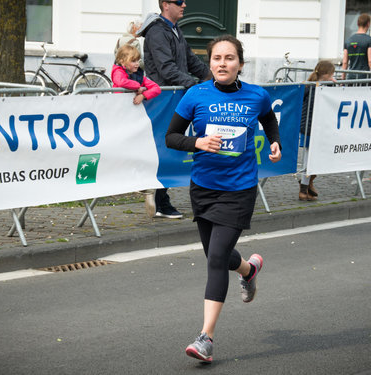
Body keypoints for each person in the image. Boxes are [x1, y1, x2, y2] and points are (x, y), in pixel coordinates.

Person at [165, 34, 282, 363]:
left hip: (239, 188)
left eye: (230, 58)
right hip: (203, 187)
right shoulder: (195, 95)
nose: (222, 64)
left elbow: (269, 120)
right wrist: (197, 143)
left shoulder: (256, 95)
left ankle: (206, 338)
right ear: (210, 63)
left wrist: (275, 143)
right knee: (217, 255)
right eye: (217, 58)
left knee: (216, 258)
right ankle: (248, 269)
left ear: (240, 65)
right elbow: (172, 137)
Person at [138, 0, 211, 219]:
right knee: (165, 147)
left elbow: (191, 61)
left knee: (170, 146)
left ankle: (157, 193)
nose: (184, 5)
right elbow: (166, 68)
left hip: (175, 97)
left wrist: (213, 78)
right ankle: (159, 199)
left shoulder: (175, 29)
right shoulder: (157, 32)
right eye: (179, 1)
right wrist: (195, 85)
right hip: (163, 99)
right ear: (165, 4)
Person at [111, 44, 161, 217]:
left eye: (138, 60)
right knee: (120, 150)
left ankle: (144, 187)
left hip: (135, 120)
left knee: (139, 150)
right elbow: (120, 82)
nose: (137, 64)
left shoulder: (140, 75)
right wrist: (137, 87)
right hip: (119, 118)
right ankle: (118, 180)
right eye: (133, 61)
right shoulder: (118, 71)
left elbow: (156, 88)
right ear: (122, 62)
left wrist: (142, 94)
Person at [298, 60, 336, 201]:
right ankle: (304, 186)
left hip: (313, 126)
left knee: (312, 158)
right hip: (311, 127)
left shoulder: (311, 85)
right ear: (326, 74)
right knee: (309, 159)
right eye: (332, 74)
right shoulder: (313, 86)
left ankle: (307, 184)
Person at [341, 13, 371, 80]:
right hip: (364, 78)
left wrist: (342, 80)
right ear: (368, 24)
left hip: (351, 78)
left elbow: (345, 62)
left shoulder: (348, 40)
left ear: (358, 24)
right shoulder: (369, 40)